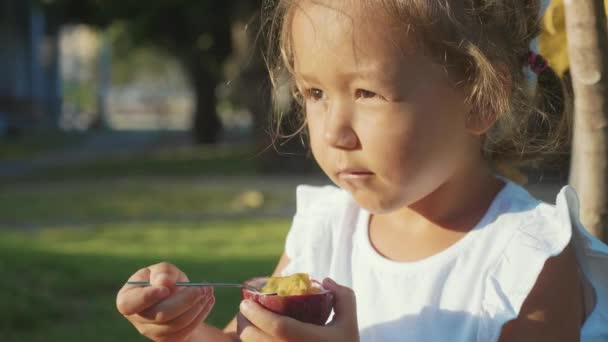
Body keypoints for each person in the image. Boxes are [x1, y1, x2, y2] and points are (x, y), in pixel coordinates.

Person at [116, 1, 608, 341]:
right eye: (315, 94)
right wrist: (183, 330)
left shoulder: (527, 259)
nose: (334, 132)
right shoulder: (326, 231)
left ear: (482, 98)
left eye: (368, 94)